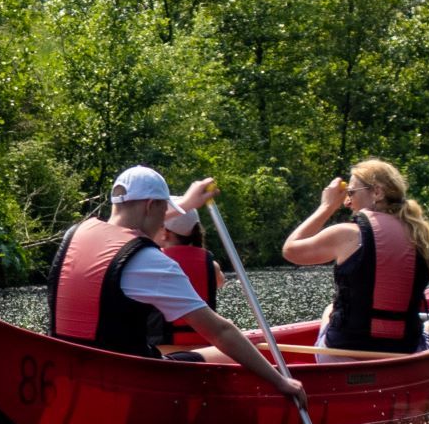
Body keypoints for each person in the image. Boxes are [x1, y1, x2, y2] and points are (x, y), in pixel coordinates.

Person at [48, 165, 307, 408]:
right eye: (163, 212)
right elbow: (220, 331)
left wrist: (187, 204)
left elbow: (132, 224)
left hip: (71, 371)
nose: (164, 223)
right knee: (227, 353)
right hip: (127, 380)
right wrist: (280, 381)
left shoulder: (77, 234)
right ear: (151, 205)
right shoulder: (149, 260)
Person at [280, 158, 429, 362]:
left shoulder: (345, 234)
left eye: (351, 193)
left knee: (330, 309)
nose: (347, 202)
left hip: (339, 355)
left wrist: (327, 206)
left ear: (377, 192)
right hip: (404, 356)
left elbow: (290, 250)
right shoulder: (424, 242)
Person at [153, 205, 228, 354]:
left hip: (162, 349)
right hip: (204, 348)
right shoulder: (211, 265)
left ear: (165, 233)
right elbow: (220, 283)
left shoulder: (152, 261)